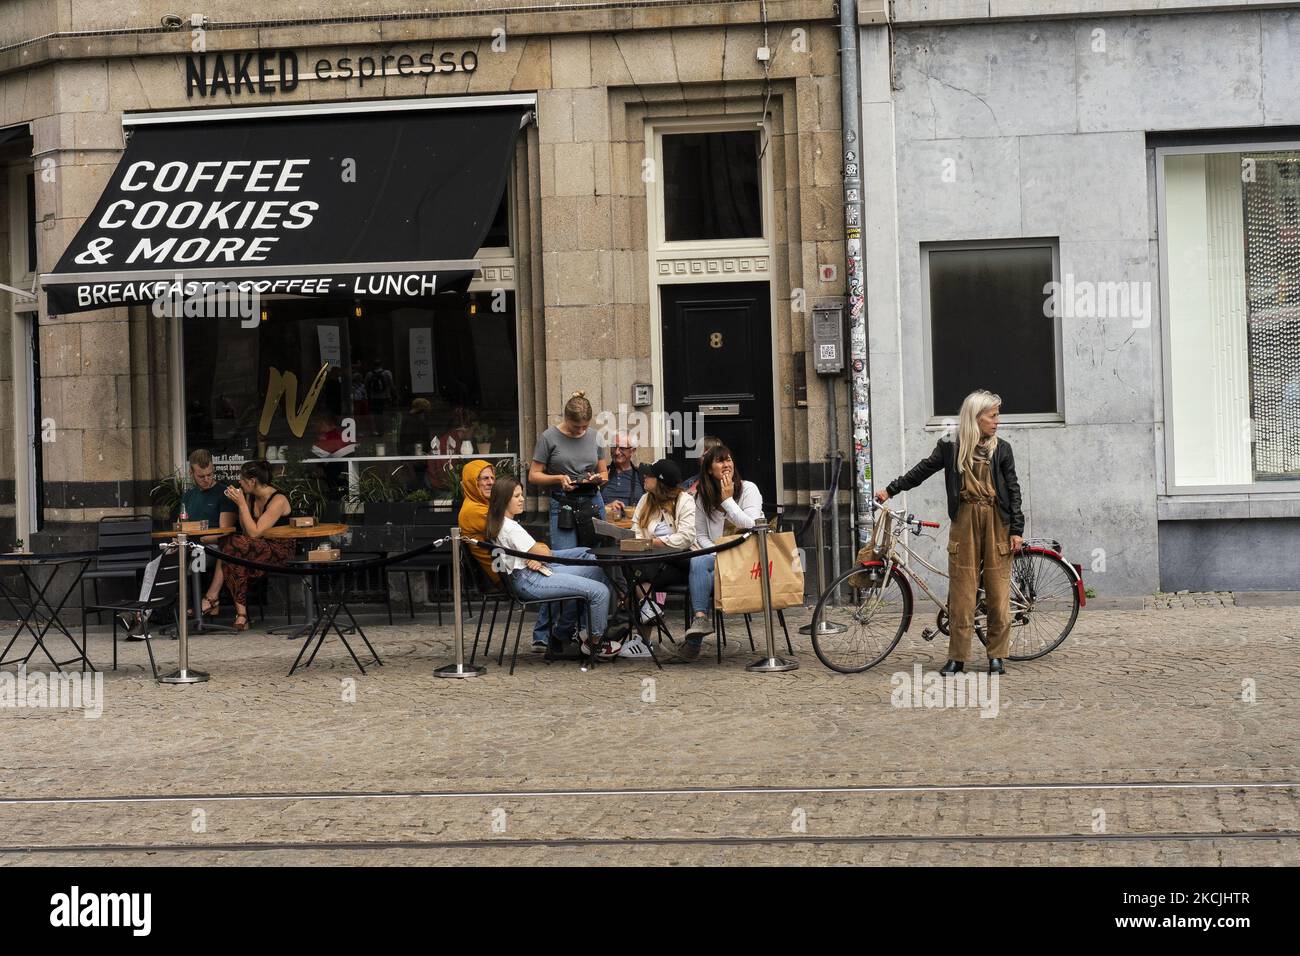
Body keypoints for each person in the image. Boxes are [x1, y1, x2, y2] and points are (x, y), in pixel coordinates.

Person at [875, 389, 1024, 676]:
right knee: (962, 593)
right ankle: (957, 657)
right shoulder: (950, 447)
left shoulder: (1002, 449)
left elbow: (1014, 489)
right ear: (975, 418)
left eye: (997, 416)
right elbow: (921, 471)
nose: (997, 421)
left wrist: (1017, 528)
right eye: (992, 416)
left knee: (997, 590)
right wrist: (890, 490)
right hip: (965, 521)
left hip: (997, 521)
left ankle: (997, 656)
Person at [486, 476, 627, 659]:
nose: (522, 499)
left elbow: (542, 552)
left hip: (532, 573)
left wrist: (539, 553)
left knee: (600, 571)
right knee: (599, 591)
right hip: (530, 580)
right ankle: (595, 643)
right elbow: (544, 553)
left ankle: (583, 633)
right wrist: (539, 552)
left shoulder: (504, 524)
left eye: (522, 495)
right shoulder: (510, 528)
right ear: (504, 500)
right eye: (517, 496)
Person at [678, 442, 765, 659]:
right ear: (709, 469)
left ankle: (693, 644)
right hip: (717, 558)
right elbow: (700, 536)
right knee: (698, 560)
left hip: (748, 558)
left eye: (728, 459)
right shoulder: (702, 497)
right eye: (720, 461)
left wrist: (727, 501)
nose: (726, 464)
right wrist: (718, 552)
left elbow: (752, 524)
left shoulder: (749, 489)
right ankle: (700, 619)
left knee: (699, 563)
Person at [627, 459, 697, 653]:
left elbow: (686, 538)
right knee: (638, 569)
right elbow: (636, 531)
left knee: (642, 569)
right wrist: (643, 544)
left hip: (680, 561)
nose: (644, 477)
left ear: (660, 481)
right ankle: (650, 609)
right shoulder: (645, 500)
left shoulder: (685, 500)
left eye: (648, 475)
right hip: (653, 562)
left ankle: (642, 640)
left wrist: (652, 543)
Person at [220, 460, 295, 632]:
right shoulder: (251, 496)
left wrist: (240, 504)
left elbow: (254, 533)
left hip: (280, 550)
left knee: (231, 548)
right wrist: (243, 505)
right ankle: (242, 613)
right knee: (230, 551)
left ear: (252, 481)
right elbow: (247, 533)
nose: (239, 482)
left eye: (242, 479)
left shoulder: (278, 500)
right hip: (258, 547)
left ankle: (241, 615)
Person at [529, 391, 609, 552]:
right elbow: (533, 475)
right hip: (562, 504)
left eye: (585, 426)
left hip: (592, 501)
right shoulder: (549, 437)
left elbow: (604, 473)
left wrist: (596, 479)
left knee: (598, 555)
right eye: (575, 426)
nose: (580, 431)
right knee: (566, 557)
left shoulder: (596, 437)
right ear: (566, 418)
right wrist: (558, 479)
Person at [178, 449, 237, 618]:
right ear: (191, 473)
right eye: (201, 476)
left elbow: (224, 532)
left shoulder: (224, 493)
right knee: (158, 564)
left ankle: (199, 606)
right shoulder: (188, 496)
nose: (206, 479)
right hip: (189, 544)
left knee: (196, 559)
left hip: (211, 547)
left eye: (210, 474)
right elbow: (181, 526)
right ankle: (144, 612)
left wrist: (199, 538)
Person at [457, 460, 499, 586]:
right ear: (473, 482)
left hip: (511, 567)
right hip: (506, 575)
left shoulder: (482, 504)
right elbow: (511, 534)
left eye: (492, 478)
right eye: (485, 478)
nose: (491, 482)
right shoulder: (474, 510)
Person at [602, 432, 645, 518]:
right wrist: (606, 507)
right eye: (614, 447)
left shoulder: (642, 476)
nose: (617, 452)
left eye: (622, 448)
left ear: (632, 451)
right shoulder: (602, 474)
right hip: (604, 527)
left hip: (634, 527)